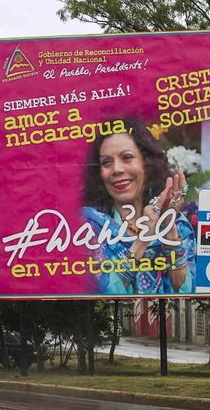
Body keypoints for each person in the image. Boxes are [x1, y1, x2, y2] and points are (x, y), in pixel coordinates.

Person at [82, 119, 196, 294]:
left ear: (147, 164)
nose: (117, 169)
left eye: (127, 157)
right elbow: (103, 299)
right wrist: (143, 238)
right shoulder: (88, 226)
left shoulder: (179, 225)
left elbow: (187, 295)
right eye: (106, 162)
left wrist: (168, 228)